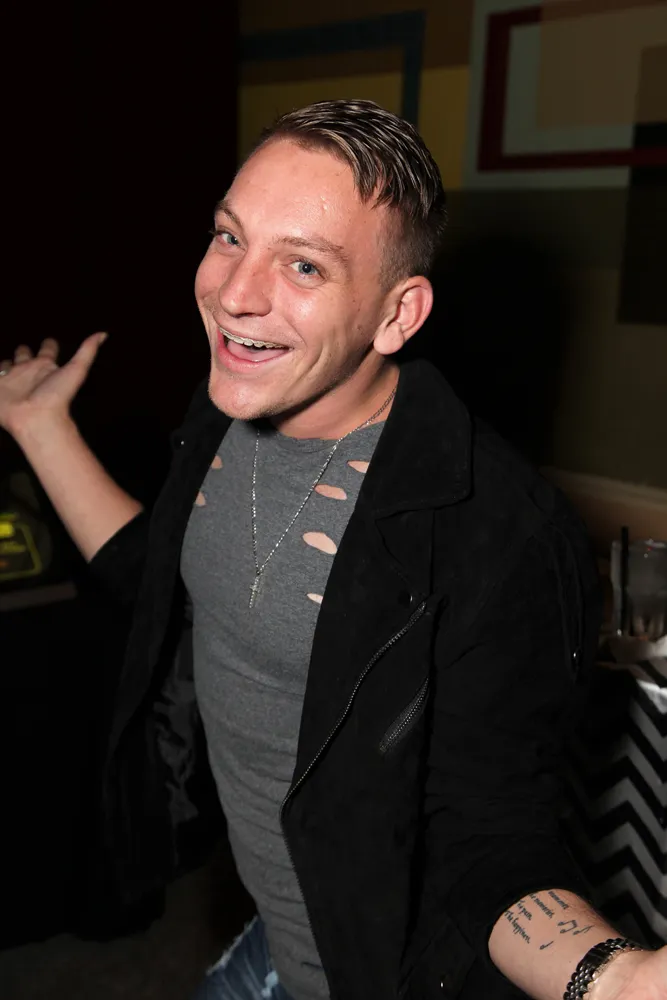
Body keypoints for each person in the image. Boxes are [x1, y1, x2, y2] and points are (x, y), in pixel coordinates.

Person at [0, 100, 664, 1000]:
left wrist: (611, 982)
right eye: (229, 237)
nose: (234, 294)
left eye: (303, 264)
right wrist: (40, 427)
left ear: (397, 315)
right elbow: (172, 579)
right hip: (274, 937)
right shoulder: (236, 397)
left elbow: (487, 837)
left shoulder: (500, 536)